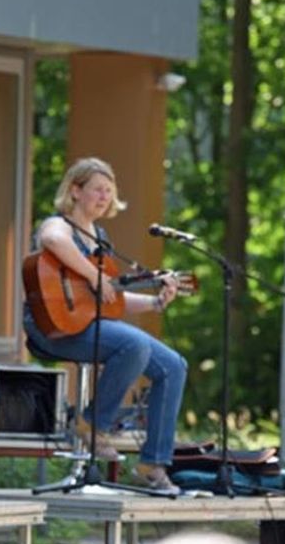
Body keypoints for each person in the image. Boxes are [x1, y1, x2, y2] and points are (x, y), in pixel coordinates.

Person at [23, 157, 188, 493]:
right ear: (75, 190)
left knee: (173, 365)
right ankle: (93, 424)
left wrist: (155, 302)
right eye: (98, 189)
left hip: (86, 324)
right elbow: (53, 241)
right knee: (135, 345)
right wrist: (94, 275)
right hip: (51, 329)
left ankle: (152, 465)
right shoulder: (60, 225)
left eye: (109, 193)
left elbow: (109, 300)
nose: (104, 197)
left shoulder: (101, 236)